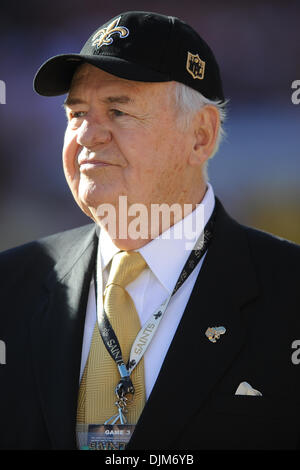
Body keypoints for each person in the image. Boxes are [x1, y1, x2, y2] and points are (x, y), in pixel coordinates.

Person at [0, 10, 299, 451]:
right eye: (76, 113)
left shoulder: (290, 291)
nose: (86, 134)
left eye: (117, 110)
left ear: (200, 136)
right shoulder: (10, 286)